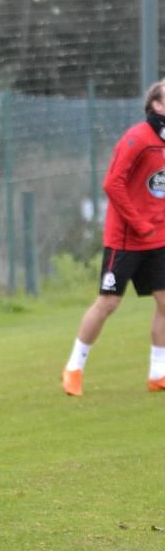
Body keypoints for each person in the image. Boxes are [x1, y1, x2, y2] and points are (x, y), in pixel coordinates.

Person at [62, 78, 165, 396]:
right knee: (108, 302)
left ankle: (158, 373)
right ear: (157, 106)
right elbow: (113, 184)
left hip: (158, 238)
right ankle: (74, 368)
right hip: (126, 239)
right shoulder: (137, 139)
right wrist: (138, 222)